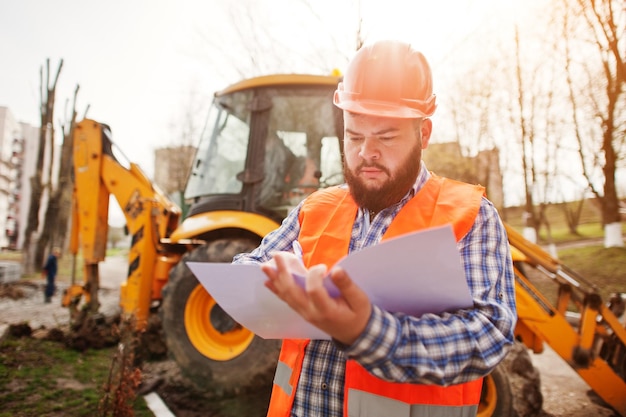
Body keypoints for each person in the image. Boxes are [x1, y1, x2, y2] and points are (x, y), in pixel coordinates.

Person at [233, 40, 517, 417]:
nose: (367, 152)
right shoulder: (314, 209)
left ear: (424, 134)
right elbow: (247, 268)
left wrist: (370, 332)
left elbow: (488, 333)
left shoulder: (471, 216)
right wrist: (268, 281)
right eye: (354, 136)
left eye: (385, 137)